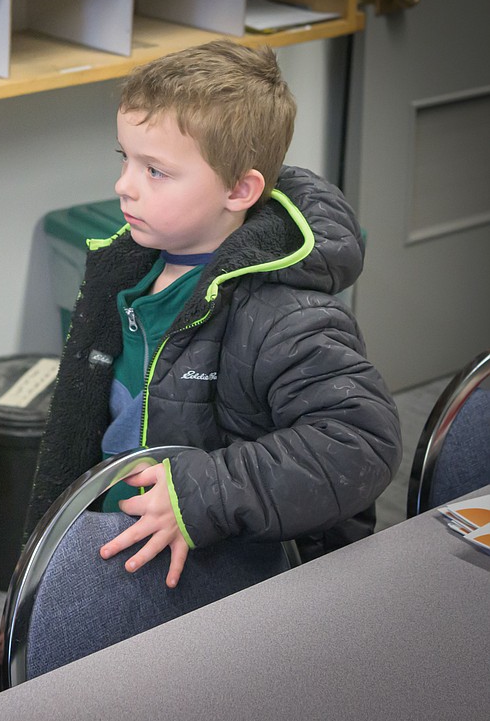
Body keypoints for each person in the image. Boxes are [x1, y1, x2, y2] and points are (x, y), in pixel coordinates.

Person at [24, 40, 401, 587]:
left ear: (239, 189)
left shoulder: (283, 313)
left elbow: (361, 443)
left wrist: (206, 493)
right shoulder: (130, 269)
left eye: (155, 170)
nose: (123, 185)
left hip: (227, 571)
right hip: (129, 538)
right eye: (124, 159)